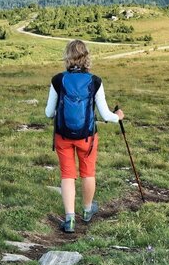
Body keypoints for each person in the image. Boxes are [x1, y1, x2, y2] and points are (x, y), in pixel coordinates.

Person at [45, 40, 124, 233]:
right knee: (88, 172)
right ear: (86, 57)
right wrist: (118, 117)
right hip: (87, 137)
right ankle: (88, 211)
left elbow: (48, 113)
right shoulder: (95, 81)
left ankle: (70, 219)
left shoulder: (58, 80)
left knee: (67, 175)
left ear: (67, 57)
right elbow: (105, 115)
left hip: (63, 136)